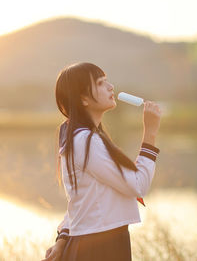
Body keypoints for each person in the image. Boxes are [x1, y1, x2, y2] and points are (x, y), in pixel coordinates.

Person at [42, 62, 162, 261]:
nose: (110, 86)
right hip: (100, 247)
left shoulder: (80, 137)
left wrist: (62, 239)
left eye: (107, 81)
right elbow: (138, 186)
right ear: (83, 98)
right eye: (100, 83)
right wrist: (150, 133)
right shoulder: (85, 141)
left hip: (98, 242)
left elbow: (81, 202)